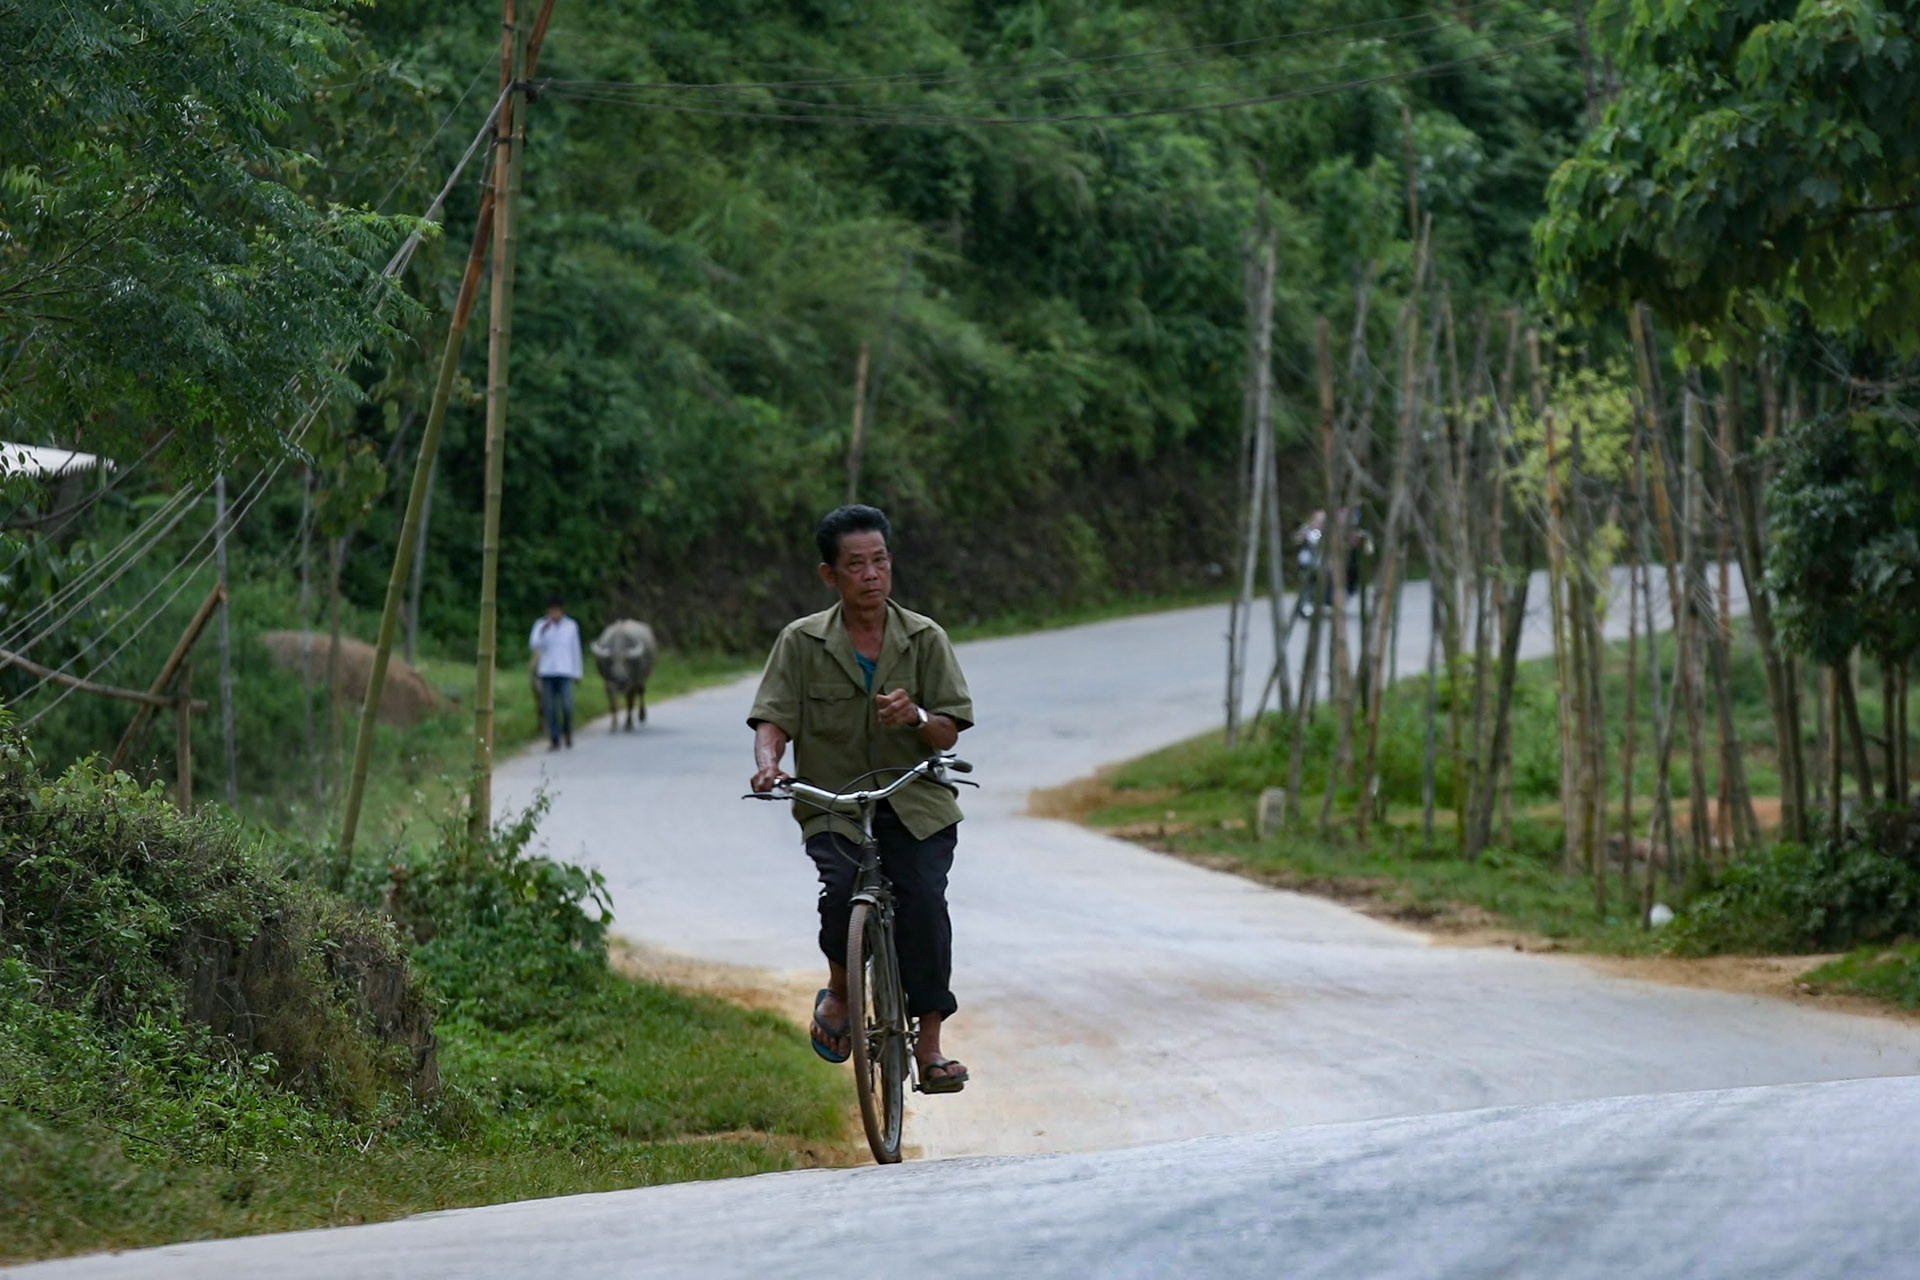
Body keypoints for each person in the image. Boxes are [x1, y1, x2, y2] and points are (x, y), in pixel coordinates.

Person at [747, 504, 976, 1093]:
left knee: (924, 901)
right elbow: (773, 716)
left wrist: (918, 716)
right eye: (856, 565)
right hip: (835, 805)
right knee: (840, 895)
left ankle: (929, 1045)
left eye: (879, 562)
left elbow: (949, 727)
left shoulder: (926, 638)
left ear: (891, 565)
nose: (871, 574)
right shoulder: (800, 643)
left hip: (913, 799)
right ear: (831, 575)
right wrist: (769, 766)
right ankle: (843, 991)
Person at [530, 593, 583, 750]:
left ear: (561, 611)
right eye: (551, 611)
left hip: (565, 671)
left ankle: (567, 731)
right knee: (549, 708)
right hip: (547, 671)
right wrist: (543, 632)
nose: (554, 614)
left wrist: (578, 672)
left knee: (567, 706)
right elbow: (534, 645)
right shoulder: (540, 625)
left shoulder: (571, 626)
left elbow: (575, 650)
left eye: (556, 611)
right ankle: (554, 739)